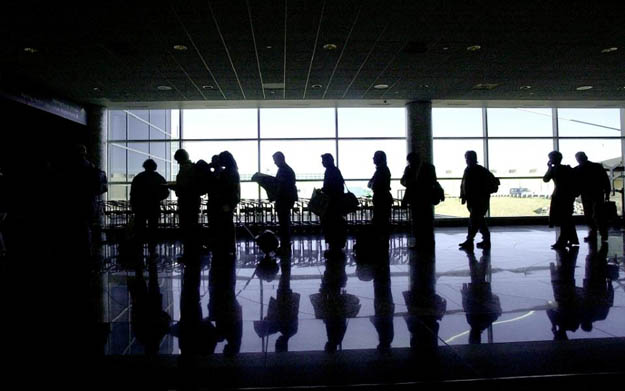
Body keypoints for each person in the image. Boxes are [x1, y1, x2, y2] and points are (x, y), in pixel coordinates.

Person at [458, 150, 499, 250]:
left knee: (474, 220)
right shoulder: (473, 170)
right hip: (475, 200)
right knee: (479, 220)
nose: (467, 160)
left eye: (468, 158)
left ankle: (470, 240)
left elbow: (464, 184)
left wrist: (464, 195)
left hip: (478, 201)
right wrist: (463, 196)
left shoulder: (474, 170)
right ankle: (485, 240)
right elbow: (464, 184)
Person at [130, 159, 169, 254]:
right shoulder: (159, 178)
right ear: (154, 167)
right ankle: (152, 250)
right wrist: (157, 197)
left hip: (140, 207)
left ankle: (139, 250)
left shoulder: (139, 177)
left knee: (140, 229)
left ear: (145, 166)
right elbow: (165, 192)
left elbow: (133, 193)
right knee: (153, 228)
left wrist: (133, 205)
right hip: (154, 206)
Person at [401, 152, 439, 249]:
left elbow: (404, 181)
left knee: (419, 222)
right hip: (424, 198)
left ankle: (421, 242)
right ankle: (427, 242)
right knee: (424, 221)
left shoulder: (409, 169)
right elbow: (433, 181)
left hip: (418, 198)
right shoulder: (429, 167)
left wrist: (410, 183)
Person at [543, 151, 578, 249]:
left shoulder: (554, 169)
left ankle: (562, 241)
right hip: (568, 195)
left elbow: (545, 179)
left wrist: (549, 167)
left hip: (559, 195)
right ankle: (571, 239)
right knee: (567, 218)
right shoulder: (568, 168)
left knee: (563, 219)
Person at [574, 152, 611, 243]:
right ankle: (603, 234)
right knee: (598, 215)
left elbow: (576, 183)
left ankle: (593, 233)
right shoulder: (597, 167)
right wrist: (607, 192)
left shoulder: (578, 169)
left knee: (589, 215)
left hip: (586, 194)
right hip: (597, 193)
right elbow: (605, 180)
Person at [172, 149, 202, 259]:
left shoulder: (186, 169)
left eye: (178, 160)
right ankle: (192, 251)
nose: (177, 162)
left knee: (186, 226)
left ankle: (189, 252)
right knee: (192, 224)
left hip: (187, 201)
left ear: (181, 158)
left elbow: (184, 186)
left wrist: (175, 187)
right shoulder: (192, 167)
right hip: (193, 200)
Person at [213, 151, 240, 256]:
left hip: (226, 202)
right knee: (228, 224)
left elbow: (226, 188)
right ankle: (230, 247)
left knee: (226, 225)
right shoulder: (232, 171)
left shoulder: (229, 172)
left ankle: (228, 247)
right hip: (230, 202)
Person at [272, 152, 298, 252]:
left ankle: (285, 245)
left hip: (284, 200)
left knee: (283, 223)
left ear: (280, 159)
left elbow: (283, 186)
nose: (274, 163)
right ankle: (285, 244)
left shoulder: (284, 170)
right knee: (284, 223)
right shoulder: (287, 170)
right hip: (286, 199)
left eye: (275, 160)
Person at [320, 153, 346, 252]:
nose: (322, 163)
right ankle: (336, 244)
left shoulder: (330, 171)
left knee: (331, 223)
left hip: (332, 203)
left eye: (323, 161)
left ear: (329, 161)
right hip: (336, 202)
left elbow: (330, 187)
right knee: (335, 223)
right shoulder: (334, 170)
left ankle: (334, 244)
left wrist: (323, 190)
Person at [368, 151, 393, 235]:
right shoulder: (383, 169)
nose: (373, 158)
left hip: (381, 200)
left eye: (375, 157)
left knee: (380, 222)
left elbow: (372, 184)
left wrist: (372, 184)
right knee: (382, 222)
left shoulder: (380, 170)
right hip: (383, 199)